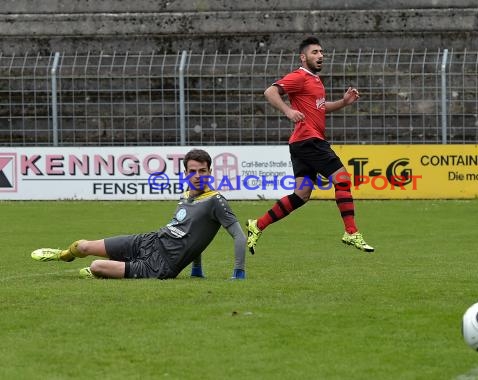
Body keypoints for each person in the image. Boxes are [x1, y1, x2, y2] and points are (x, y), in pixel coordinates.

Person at [31, 149, 248, 280]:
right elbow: (189, 232)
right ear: (185, 173)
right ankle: (62, 255)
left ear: (210, 172)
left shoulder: (216, 201)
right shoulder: (185, 194)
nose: (197, 176)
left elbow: (239, 236)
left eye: (202, 171)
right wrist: (197, 270)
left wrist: (238, 272)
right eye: (192, 171)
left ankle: (104, 272)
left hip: (160, 266)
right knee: (83, 247)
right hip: (149, 241)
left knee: (96, 266)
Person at [246, 36, 374, 254]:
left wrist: (343, 102)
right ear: (303, 57)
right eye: (315, 52)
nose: (321, 56)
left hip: (300, 143)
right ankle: (351, 232)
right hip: (309, 140)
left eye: (322, 52)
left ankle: (257, 225)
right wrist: (288, 111)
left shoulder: (315, 81)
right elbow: (270, 91)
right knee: (342, 179)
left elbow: (320, 109)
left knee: (302, 194)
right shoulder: (299, 76)